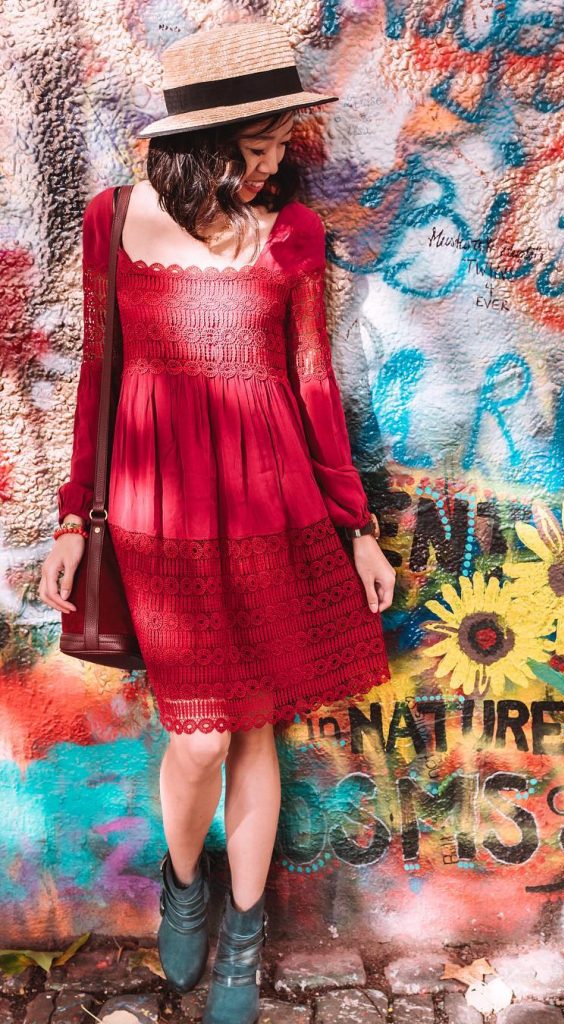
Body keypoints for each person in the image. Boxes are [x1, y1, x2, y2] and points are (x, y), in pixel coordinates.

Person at [37, 19, 395, 1024]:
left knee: (254, 734)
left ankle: (242, 931)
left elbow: (315, 385)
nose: (279, 164)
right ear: (202, 146)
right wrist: (75, 520)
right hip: (161, 522)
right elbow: (98, 381)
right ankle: (182, 875)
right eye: (262, 147)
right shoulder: (112, 222)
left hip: (273, 509)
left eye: (283, 144)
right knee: (198, 738)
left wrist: (355, 525)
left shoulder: (293, 235)